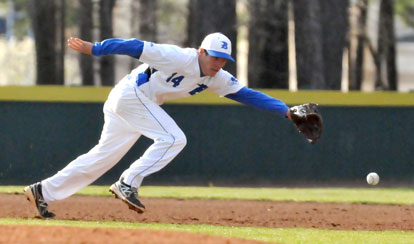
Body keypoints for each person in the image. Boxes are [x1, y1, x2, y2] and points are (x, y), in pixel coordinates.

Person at [24, 32, 293, 218]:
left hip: (135, 103)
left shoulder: (217, 77)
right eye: (214, 56)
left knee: (102, 157)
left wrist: (286, 111)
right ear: (201, 51)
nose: (219, 63)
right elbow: (133, 45)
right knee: (174, 138)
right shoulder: (177, 56)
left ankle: (42, 191)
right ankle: (127, 182)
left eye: (223, 59)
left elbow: (246, 94)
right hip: (132, 96)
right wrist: (96, 48)